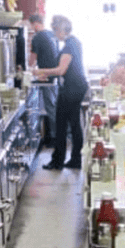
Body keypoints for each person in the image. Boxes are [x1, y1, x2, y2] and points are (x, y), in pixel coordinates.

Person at [33, 15, 89, 170]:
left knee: (61, 124)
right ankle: (75, 160)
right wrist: (47, 75)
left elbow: (61, 69)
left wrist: (40, 71)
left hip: (72, 88)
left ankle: (57, 162)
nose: (54, 32)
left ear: (62, 29)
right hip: (77, 86)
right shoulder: (73, 42)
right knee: (74, 124)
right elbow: (65, 69)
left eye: (55, 29)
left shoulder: (69, 45)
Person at [28, 14, 59, 147]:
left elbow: (31, 61)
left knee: (51, 109)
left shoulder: (37, 37)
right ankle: (53, 136)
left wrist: (28, 67)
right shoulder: (52, 34)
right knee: (53, 107)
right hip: (55, 76)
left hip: (46, 77)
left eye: (31, 26)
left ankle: (54, 139)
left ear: (35, 24)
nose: (32, 29)